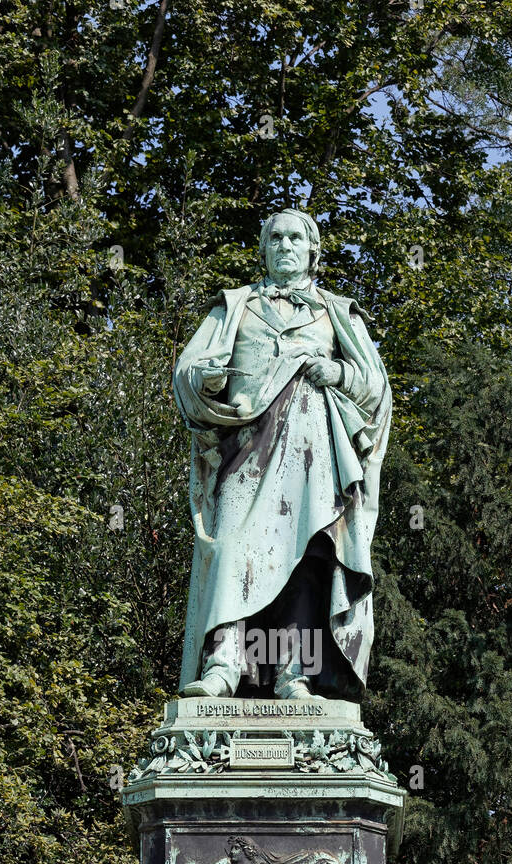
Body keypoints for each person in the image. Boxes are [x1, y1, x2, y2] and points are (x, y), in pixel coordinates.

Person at [174, 208, 391, 700]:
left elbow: (376, 390)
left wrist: (338, 375)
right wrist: (202, 381)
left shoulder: (338, 312)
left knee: (304, 560)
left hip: (312, 459)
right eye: (276, 238)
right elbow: (187, 371)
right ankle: (223, 666)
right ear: (264, 248)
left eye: (296, 238)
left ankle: (295, 671)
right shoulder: (233, 307)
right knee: (231, 548)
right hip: (244, 450)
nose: (286, 246)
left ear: (313, 250)